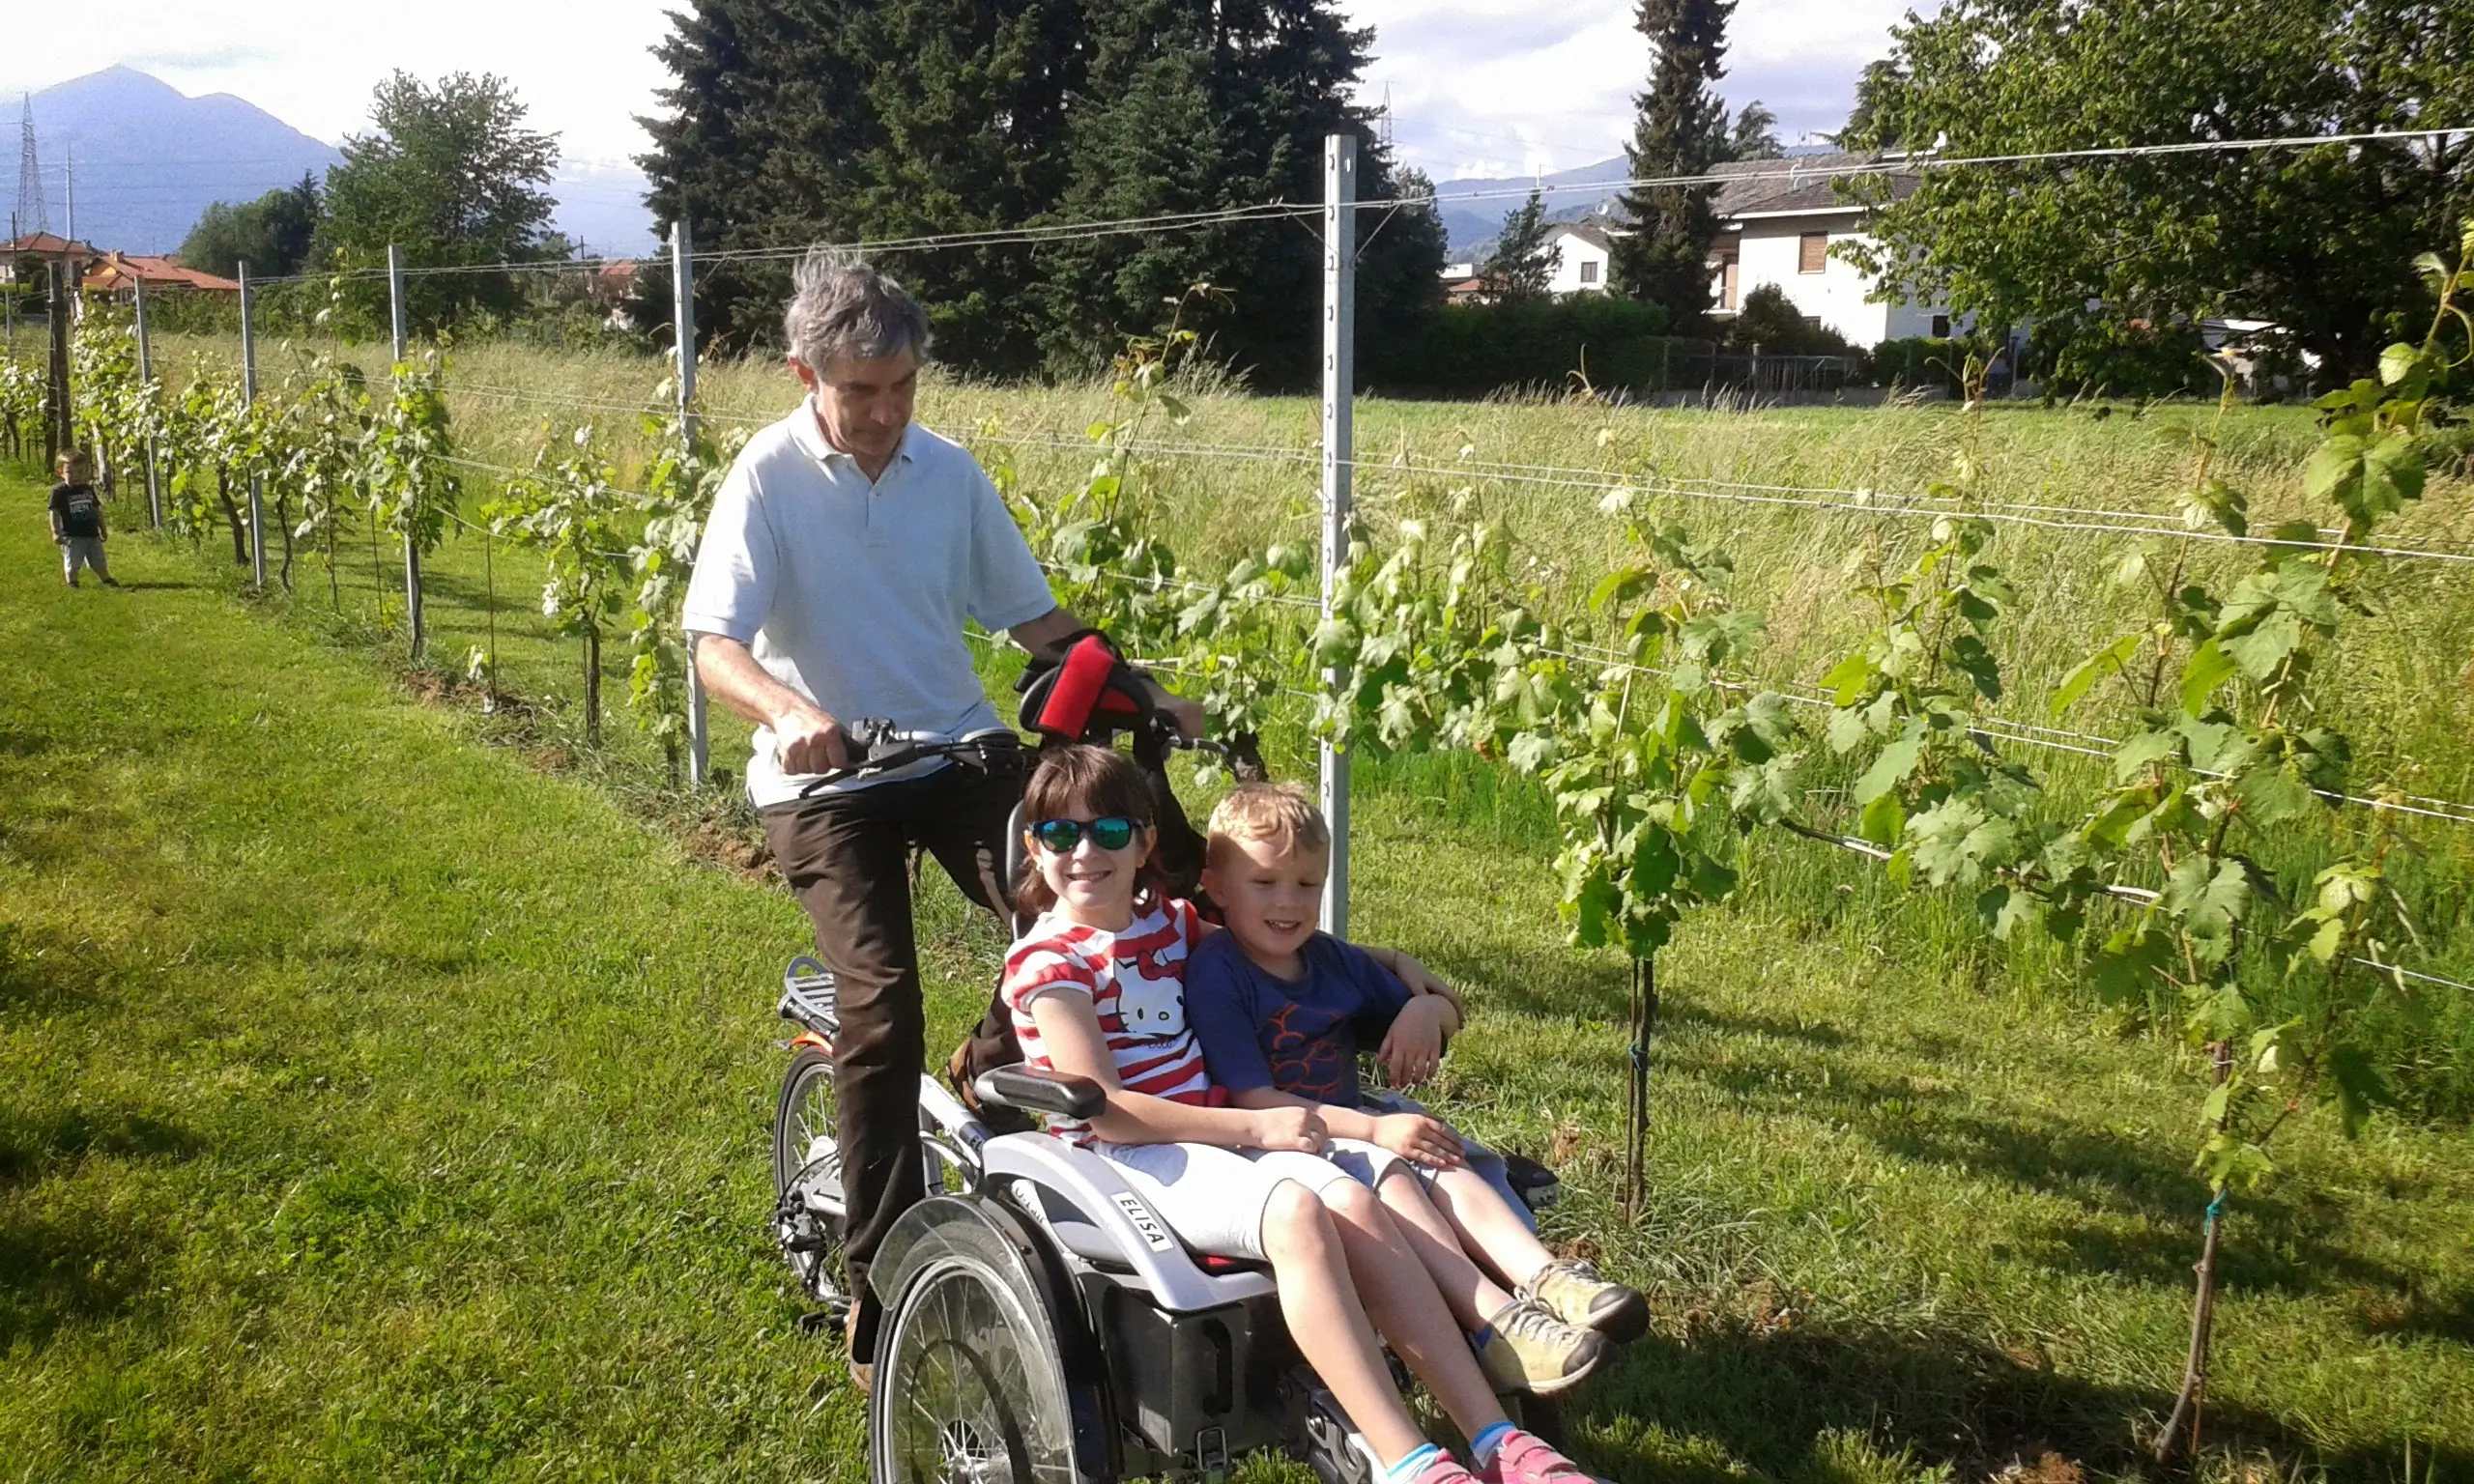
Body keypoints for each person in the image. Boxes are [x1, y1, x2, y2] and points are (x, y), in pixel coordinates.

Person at [679, 250, 1457, 1389]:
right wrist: (790, 710)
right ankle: (879, 1271)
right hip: (826, 781)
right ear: (805, 374)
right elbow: (714, 647)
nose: (886, 413)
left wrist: (1144, 694)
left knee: (1099, 893)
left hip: (949, 748)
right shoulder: (763, 478)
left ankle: (1012, 1077)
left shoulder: (946, 474)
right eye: (860, 392)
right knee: (882, 1000)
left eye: (901, 387)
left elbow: (1038, 624)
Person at [1002, 745, 1597, 1484]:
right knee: (1299, 1214)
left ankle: (1498, 1441)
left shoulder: (1167, 925)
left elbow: (1266, 935)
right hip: (1132, 1156)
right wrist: (1257, 1127)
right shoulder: (1050, 964)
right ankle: (1407, 1461)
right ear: (1034, 847)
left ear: (1146, 841)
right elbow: (1111, 1114)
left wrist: (1391, 968)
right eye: (1059, 836)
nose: (1085, 852)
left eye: (1109, 833)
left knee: (1354, 1194)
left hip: (1216, 1139)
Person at [1186, 784, 1650, 1393]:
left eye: (1306, 885)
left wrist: (1423, 1011)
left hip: (1346, 1123)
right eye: (1265, 883)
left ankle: (1548, 1279)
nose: (1289, 902)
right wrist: (1378, 1130)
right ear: (1217, 888)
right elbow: (1255, 1101)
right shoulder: (1219, 971)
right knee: (1397, 1171)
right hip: (1271, 1143)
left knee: (1444, 1156)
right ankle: (1496, 1325)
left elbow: (1451, 1009)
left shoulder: (1328, 958)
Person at [50, 450, 117, 589]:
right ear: (60, 473)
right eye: (70, 473)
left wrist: (102, 528)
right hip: (72, 534)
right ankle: (73, 581)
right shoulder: (60, 492)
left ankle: (105, 577)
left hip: (92, 533)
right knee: (73, 561)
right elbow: (54, 512)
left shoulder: (87, 489)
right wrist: (56, 532)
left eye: (80, 472)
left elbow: (95, 509)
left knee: (98, 559)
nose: (76, 476)